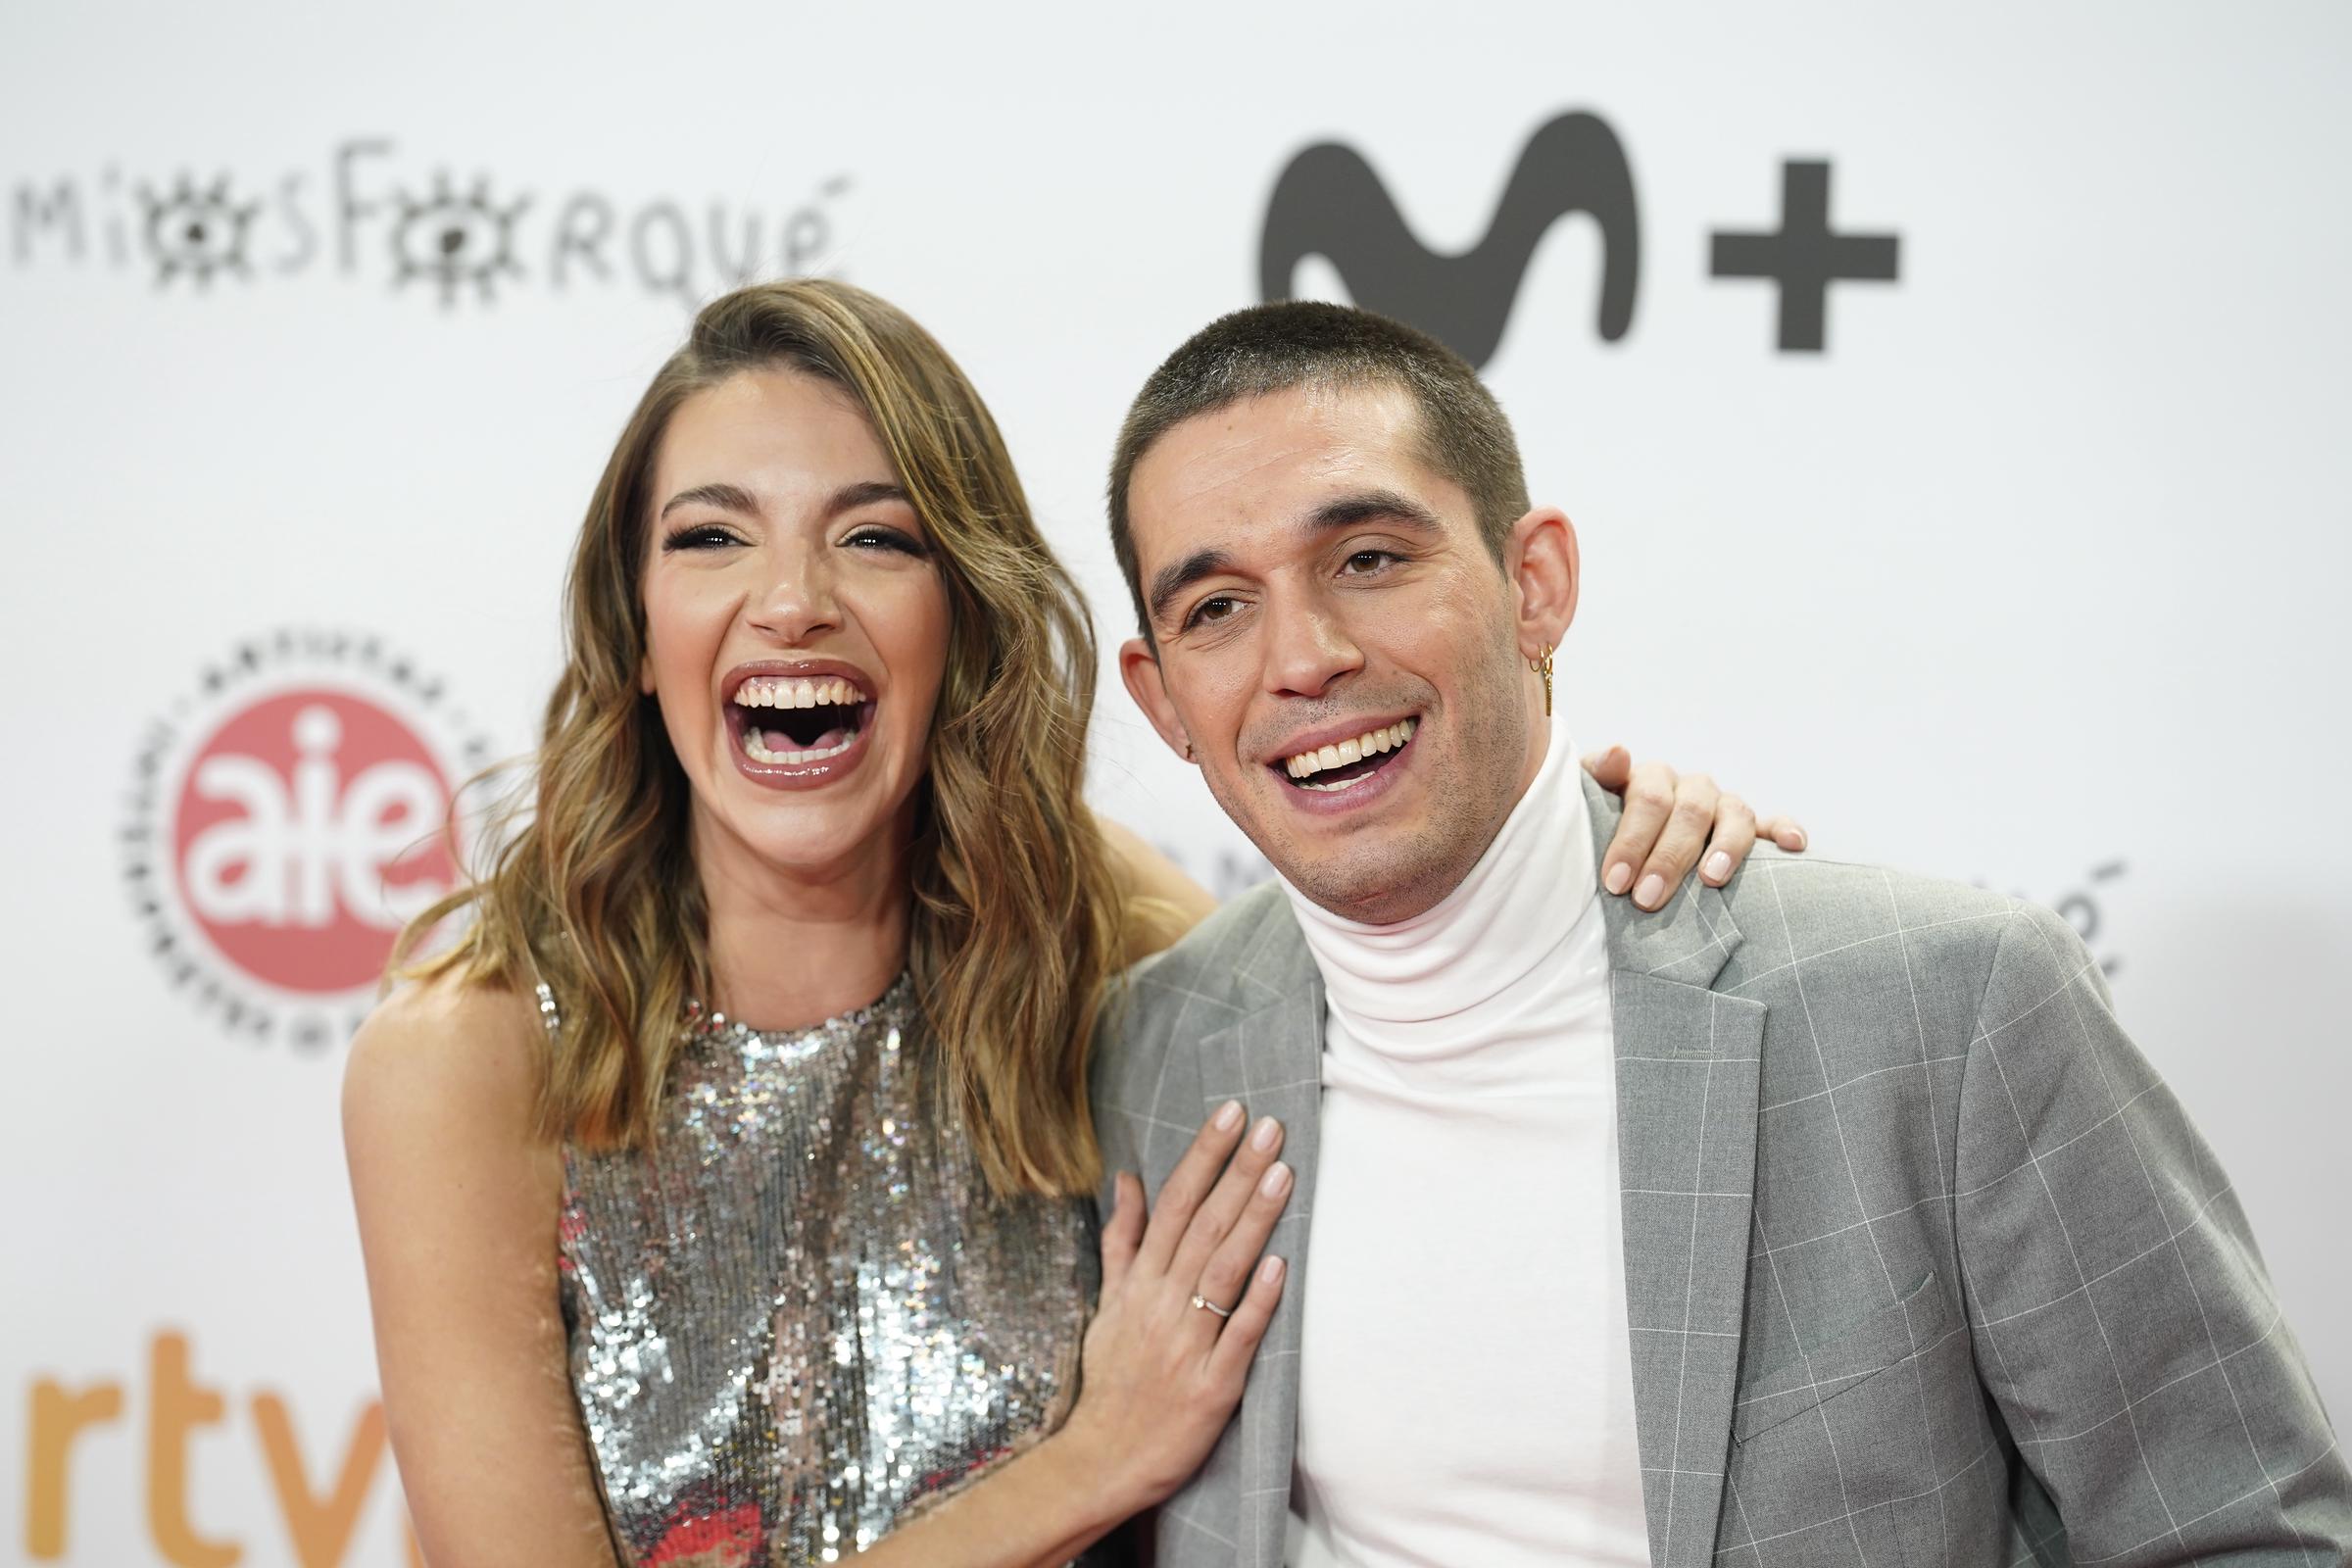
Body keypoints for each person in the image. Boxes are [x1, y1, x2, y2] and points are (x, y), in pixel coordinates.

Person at [339, 278, 1783, 1567]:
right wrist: (1094, 1463)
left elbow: (1417, 914)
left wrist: (1615, 821)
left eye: (876, 539)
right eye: (713, 536)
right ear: (635, 628)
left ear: (961, 620)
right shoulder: (472, 1054)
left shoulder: (1109, 948)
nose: (791, 602)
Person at [1093, 300, 2352, 1567]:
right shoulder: (1148, 1049)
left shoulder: (1944, 1012)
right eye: (1216, 610)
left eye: (1368, 558)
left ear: (1536, 586)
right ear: (1162, 704)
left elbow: (2245, 1532)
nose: (1301, 658)